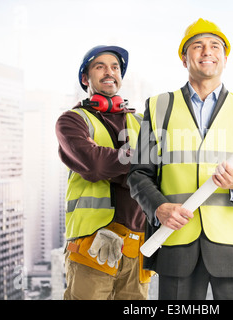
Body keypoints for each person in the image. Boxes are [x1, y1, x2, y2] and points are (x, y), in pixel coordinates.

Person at [127, 18, 233, 300]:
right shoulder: (159, 106)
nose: (206, 51)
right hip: (177, 244)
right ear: (184, 59)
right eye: (197, 46)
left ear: (225, 58)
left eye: (215, 46)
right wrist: (159, 207)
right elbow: (139, 174)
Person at [55, 45, 152, 300]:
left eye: (115, 67)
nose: (109, 72)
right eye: (100, 66)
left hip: (136, 248)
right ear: (85, 79)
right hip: (92, 247)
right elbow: (94, 164)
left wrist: (119, 165)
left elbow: (159, 170)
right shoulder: (73, 121)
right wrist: (140, 162)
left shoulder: (141, 121)